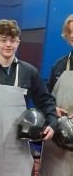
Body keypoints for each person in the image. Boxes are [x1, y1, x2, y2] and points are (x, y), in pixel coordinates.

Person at [0, 19, 57, 176]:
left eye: (12, 40)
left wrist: (52, 122)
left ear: (18, 42)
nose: (8, 45)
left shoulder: (29, 72)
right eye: (3, 40)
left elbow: (46, 101)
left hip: (20, 144)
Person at [40, 14, 73, 176]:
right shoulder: (59, 65)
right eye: (69, 32)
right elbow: (46, 98)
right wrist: (54, 108)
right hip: (57, 133)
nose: (72, 35)